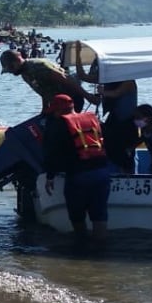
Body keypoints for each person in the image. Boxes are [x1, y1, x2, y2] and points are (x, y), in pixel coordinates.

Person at [43, 94, 110, 243]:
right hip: (102, 173)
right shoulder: (92, 119)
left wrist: (50, 176)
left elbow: (53, 152)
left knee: (77, 217)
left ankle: (81, 251)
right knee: (99, 217)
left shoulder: (60, 124)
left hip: (79, 175)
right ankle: (102, 251)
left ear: (58, 111)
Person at [0, 49, 100, 114]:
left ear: (17, 61)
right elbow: (44, 90)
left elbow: (66, 79)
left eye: (11, 68)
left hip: (71, 100)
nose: (11, 72)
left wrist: (88, 96)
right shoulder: (25, 74)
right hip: (57, 104)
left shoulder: (37, 66)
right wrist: (45, 108)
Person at [100, 79, 139, 173]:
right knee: (110, 147)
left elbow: (116, 93)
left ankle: (128, 172)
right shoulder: (111, 82)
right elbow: (87, 77)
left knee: (126, 154)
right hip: (115, 120)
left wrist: (102, 92)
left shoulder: (129, 81)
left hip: (127, 124)